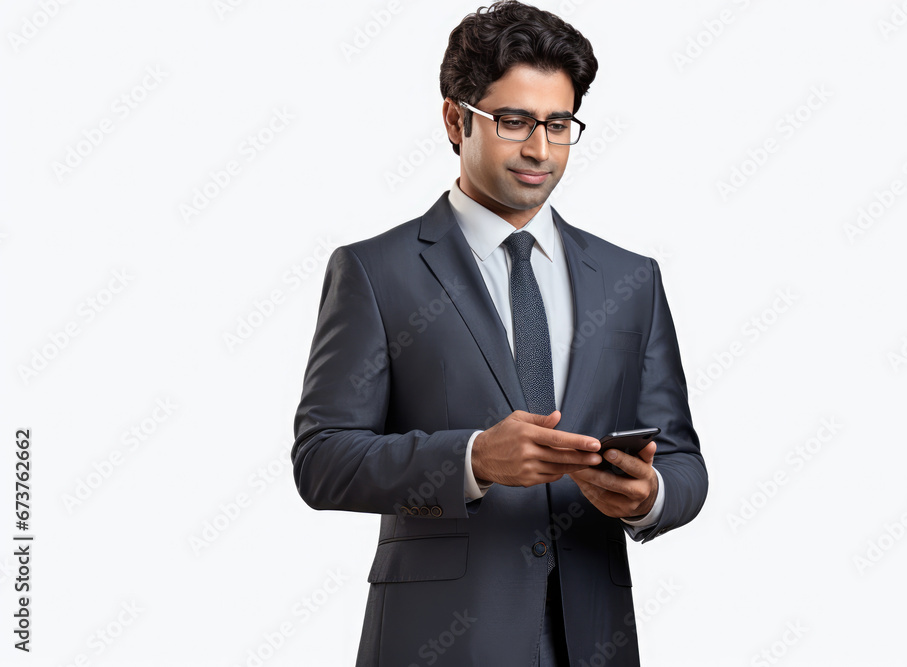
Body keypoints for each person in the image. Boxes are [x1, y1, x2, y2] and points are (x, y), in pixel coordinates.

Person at [291, 2, 707, 665]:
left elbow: (683, 459)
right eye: (514, 121)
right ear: (457, 119)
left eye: (560, 123)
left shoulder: (631, 279)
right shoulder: (375, 271)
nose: (541, 149)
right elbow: (322, 458)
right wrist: (474, 458)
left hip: (593, 639)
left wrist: (648, 494)